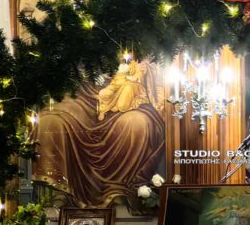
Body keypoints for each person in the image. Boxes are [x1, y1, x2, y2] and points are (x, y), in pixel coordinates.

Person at [31, 59, 164, 208]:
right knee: (49, 122)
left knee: (137, 123)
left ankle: (119, 190)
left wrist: (129, 73)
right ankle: (60, 190)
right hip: (78, 94)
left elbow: (149, 61)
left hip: (122, 96)